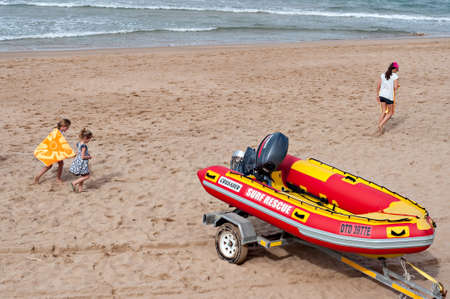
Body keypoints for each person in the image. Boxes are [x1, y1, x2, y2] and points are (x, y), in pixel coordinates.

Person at [34, 118, 71, 184]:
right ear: (63, 126)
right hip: (53, 151)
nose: (68, 129)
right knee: (52, 165)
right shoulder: (57, 133)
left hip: (54, 150)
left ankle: (38, 177)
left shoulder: (57, 131)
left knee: (58, 164)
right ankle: (57, 179)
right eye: (67, 127)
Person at [376, 62, 399, 135]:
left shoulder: (383, 75)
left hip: (382, 95)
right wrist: (397, 86)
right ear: (394, 69)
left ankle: (379, 128)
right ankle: (380, 125)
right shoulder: (394, 76)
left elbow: (378, 85)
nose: (398, 70)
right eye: (397, 69)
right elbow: (395, 87)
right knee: (390, 113)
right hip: (389, 96)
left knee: (383, 111)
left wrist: (377, 95)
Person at [69, 128, 93, 192]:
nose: (89, 140)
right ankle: (74, 183)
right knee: (87, 176)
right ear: (85, 138)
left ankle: (80, 189)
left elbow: (78, 152)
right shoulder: (84, 146)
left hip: (78, 161)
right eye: (89, 139)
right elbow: (83, 156)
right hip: (82, 163)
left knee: (83, 175)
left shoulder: (79, 143)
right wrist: (89, 157)